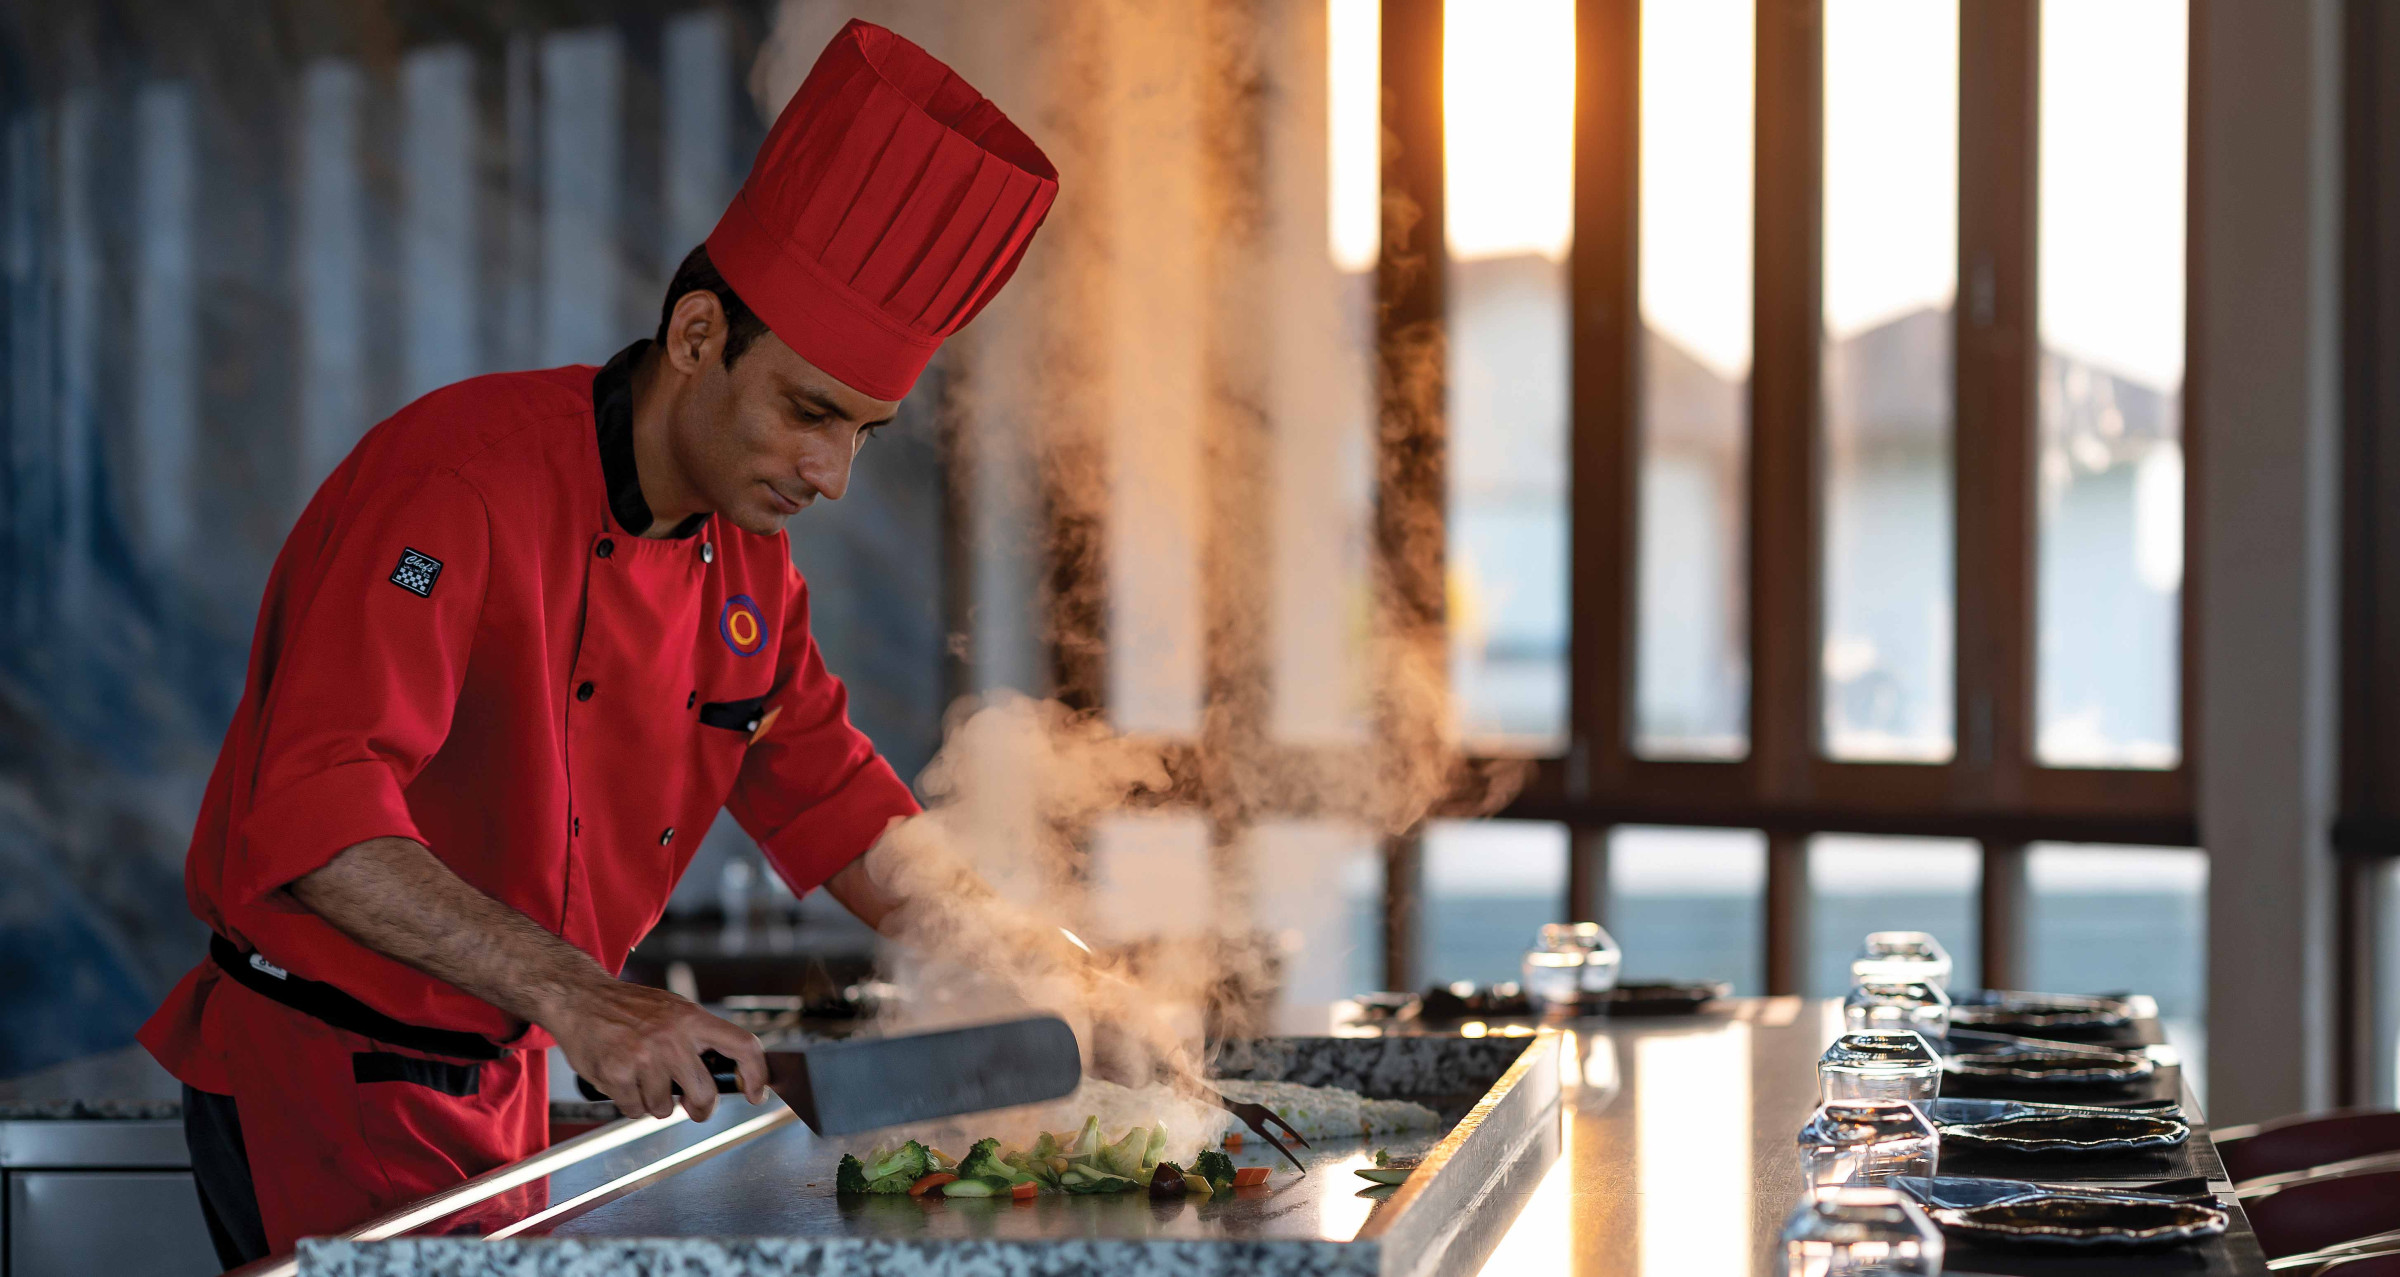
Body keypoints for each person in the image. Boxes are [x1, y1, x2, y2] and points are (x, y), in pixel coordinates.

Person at [134, 20, 1058, 1268]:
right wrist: (584, 995)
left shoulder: (748, 564)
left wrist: (1034, 960)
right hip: (329, 1080)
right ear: (694, 339)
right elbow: (313, 824)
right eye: (809, 411)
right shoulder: (459, 483)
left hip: (503, 1082)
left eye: (866, 432)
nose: (832, 474)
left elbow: (833, 795)